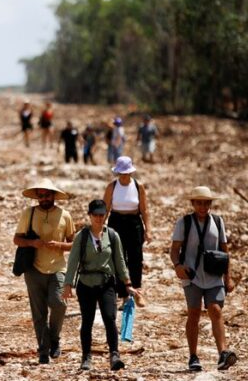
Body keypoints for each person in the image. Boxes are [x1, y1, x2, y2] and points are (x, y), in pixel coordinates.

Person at [62, 199, 141, 371]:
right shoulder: (81, 237)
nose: (99, 218)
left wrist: (127, 283)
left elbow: (120, 260)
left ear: (106, 215)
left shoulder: (112, 235)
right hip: (86, 284)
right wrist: (67, 284)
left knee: (109, 318)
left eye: (102, 215)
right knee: (87, 321)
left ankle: (114, 355)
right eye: (95, 215)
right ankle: (86, 357)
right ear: (90, 216)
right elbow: (73, 262)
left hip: (106, 284)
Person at [170, 186, 237, 372]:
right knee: (194, 313)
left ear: (210, 204)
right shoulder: (184, 222)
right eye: (198, 202)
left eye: (206, 203)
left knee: (215, 310)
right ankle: (193, 356)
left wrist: (228, 277)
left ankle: (223, 353)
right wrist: (178, 266)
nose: (202, 206)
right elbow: (174, 250)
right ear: (193, 204)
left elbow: (225, 251)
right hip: (192, 276)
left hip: (213, 275)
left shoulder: (218, 221)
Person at [13, 178, 75, 365]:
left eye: (47, 195)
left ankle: (54, 338)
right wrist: (33, 243)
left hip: (58, 268)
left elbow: (73, 244)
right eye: (40, 196)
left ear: (54, 196)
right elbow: (17, 239)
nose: (44, 199)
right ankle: (43, 350)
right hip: (33, 269)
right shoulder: (29, 214)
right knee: (38, 313)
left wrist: (59, 245)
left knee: (59, 304)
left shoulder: (65, 215)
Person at [103, 156, 151, 308]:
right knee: (118, 258)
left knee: (136, 258)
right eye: (121, 173)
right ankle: (123, 294)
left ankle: (137, 292)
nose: (124, 176)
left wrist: (148, 229)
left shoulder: (138, 186)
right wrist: (100, 227)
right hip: (116, 222)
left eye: (126, 173)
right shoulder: (112, 186)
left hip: (134, 223)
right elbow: (105, 209)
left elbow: (144, 209)